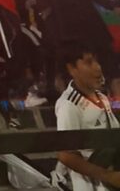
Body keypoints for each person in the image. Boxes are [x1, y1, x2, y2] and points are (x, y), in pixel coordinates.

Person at [54, 44, 120, 191]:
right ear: (72, 69)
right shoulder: (69, 105)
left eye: (97, 61)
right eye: (89, 62)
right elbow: (66, 155)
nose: (97, 67)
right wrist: (109, 176)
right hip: (91, 185)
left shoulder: (102, 97)